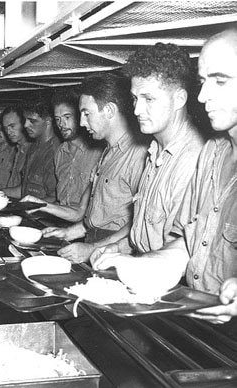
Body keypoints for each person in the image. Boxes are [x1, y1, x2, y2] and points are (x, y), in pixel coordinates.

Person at [95, 29, 237, 324]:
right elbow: (194, 240)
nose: (203, 95)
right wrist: (141, 263)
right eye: (202, 82)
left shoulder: (197, 150)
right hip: (206, 320)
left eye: (220, 81)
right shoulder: (216, 152)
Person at [89, 43, 204, 262]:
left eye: (148, 99)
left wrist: (132, 264)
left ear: (179, 99)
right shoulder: (154, 151)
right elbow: (144, 233)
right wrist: (117, 248)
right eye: (134, 98)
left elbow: (185, 250)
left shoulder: (194, 160)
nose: (136, 110)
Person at [43, 73, 148, 262]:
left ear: (109, 110)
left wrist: (92, 248)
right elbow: (97, 218)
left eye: (86, 114)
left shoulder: (138, 155)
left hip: (116, 254)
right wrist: (67, 233)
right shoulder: (107, 153)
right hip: (96, 243)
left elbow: (139, 223)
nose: (82, 122)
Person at [21, 90, 103, 218]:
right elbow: (59, 200)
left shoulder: (97, 152)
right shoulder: (60, 153)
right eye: (58, 119)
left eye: (67, 117)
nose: (61, 124)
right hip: (62, 223)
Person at [3, 100, 60, 202]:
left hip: (43, 216)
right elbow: (26, 190)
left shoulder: (55, 153)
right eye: (25, 120)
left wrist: (25, 207)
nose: (25, 125)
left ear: (48, 121)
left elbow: (55, 198)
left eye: (32, 121)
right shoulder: (33, 148)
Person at [1, 105, 31, 189]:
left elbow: (26, 189)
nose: (8, 132)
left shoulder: (32, 150)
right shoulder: (19, 149)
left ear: (24, 123)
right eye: (5, 128)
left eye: (12, 126)